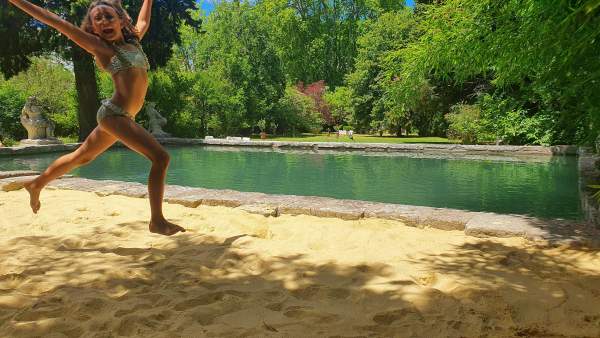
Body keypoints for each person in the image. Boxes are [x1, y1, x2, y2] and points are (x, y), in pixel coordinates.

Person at [9, 0, 185, 236]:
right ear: (93, 29)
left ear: (122, 20)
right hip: (114, 115)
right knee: (160, 158)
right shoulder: (102, 48)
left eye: (109, 17)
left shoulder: (133, 43)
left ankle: (36, 183)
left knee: (81, 157)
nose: (103, 22)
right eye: (97, 20)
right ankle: (157, 221)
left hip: (122, 117)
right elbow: (53, 20)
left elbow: (142, 21)